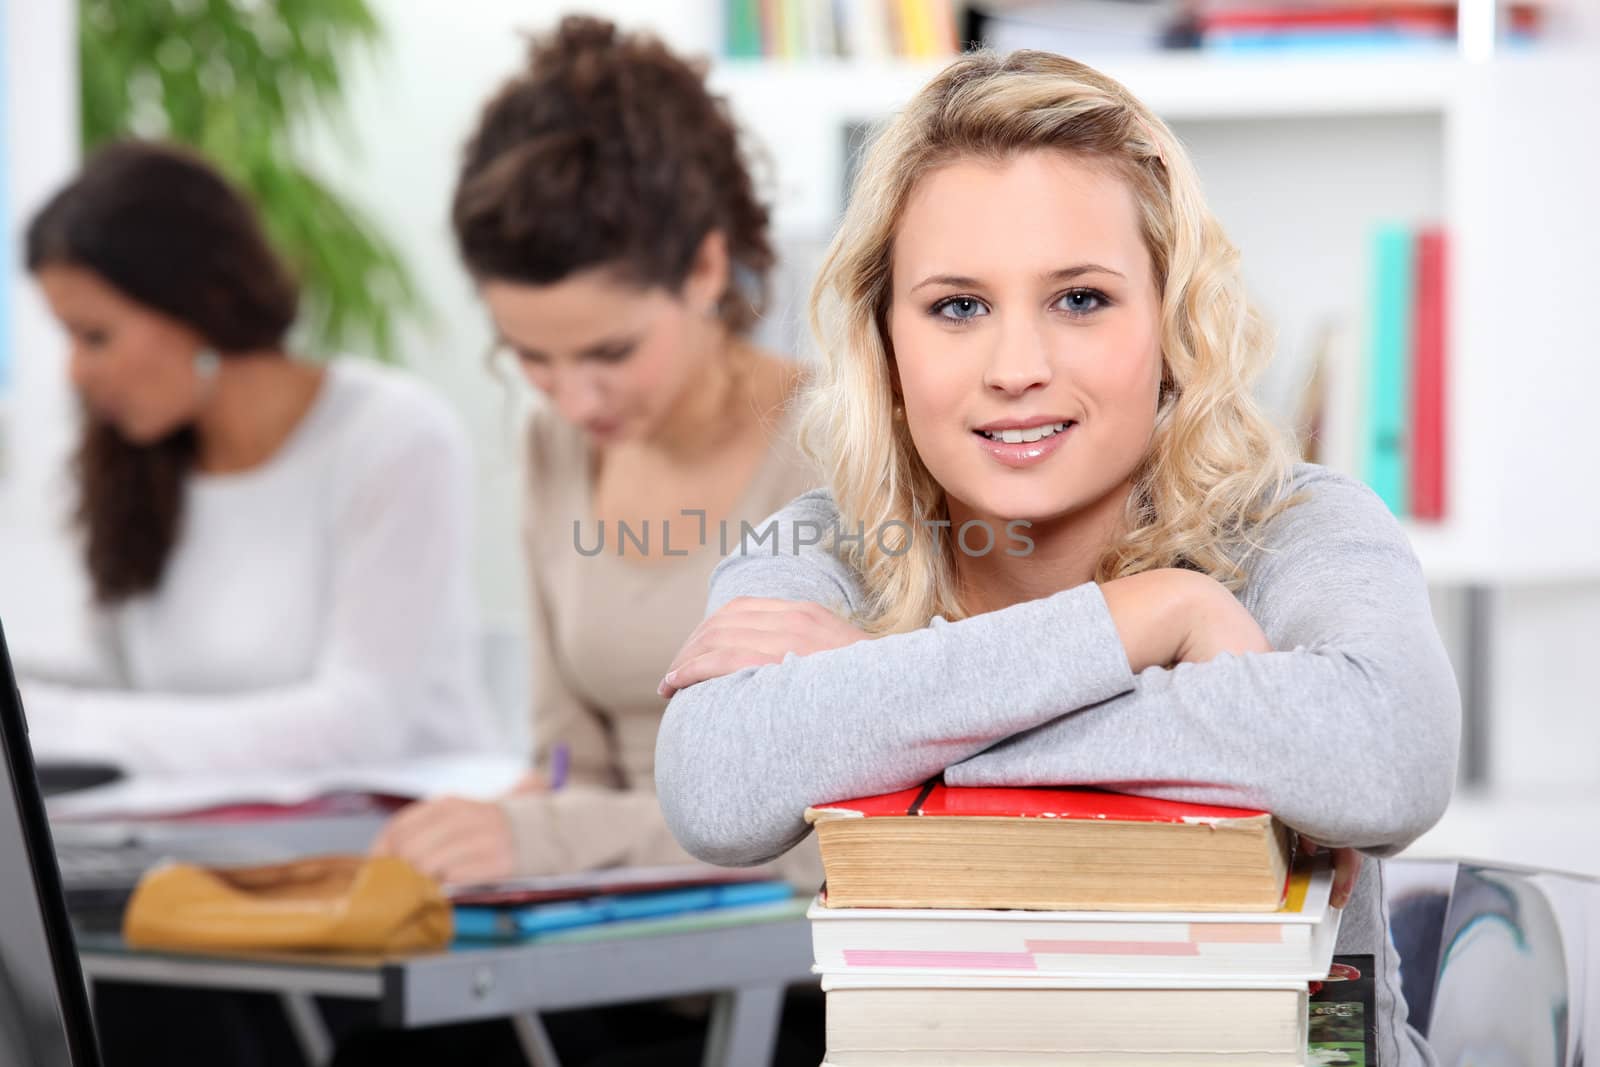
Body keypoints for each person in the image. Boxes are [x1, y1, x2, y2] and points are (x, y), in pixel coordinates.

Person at [654, 50, 1460, 1067]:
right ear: (883, 342)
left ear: (1168, 322)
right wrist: (1150, 616)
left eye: (1079, 299)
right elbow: (713, 785)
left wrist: (883, 702)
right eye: (957, 306)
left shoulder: (1294, 525)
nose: (1017, 369)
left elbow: (1389, 758)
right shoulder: (826, 542)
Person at [372, 16, 821, 891]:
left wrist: (551, 839)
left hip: (778, 988)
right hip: (603, 946)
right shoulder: (557, 446)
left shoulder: (840, 450)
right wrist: (506, 822)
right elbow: (567, 770)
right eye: (531, 358)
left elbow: (843, 829)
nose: (574, 401)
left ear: (704, 269)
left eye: (610, 354)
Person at [20, 140, 494, 775]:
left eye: (95, 336)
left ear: (197, 303)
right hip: (190, 842)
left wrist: (57, 722)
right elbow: (119, 694)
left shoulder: (393, 436)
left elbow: (358, 725)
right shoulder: (134, 465)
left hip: (400, 844)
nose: (75, 372)